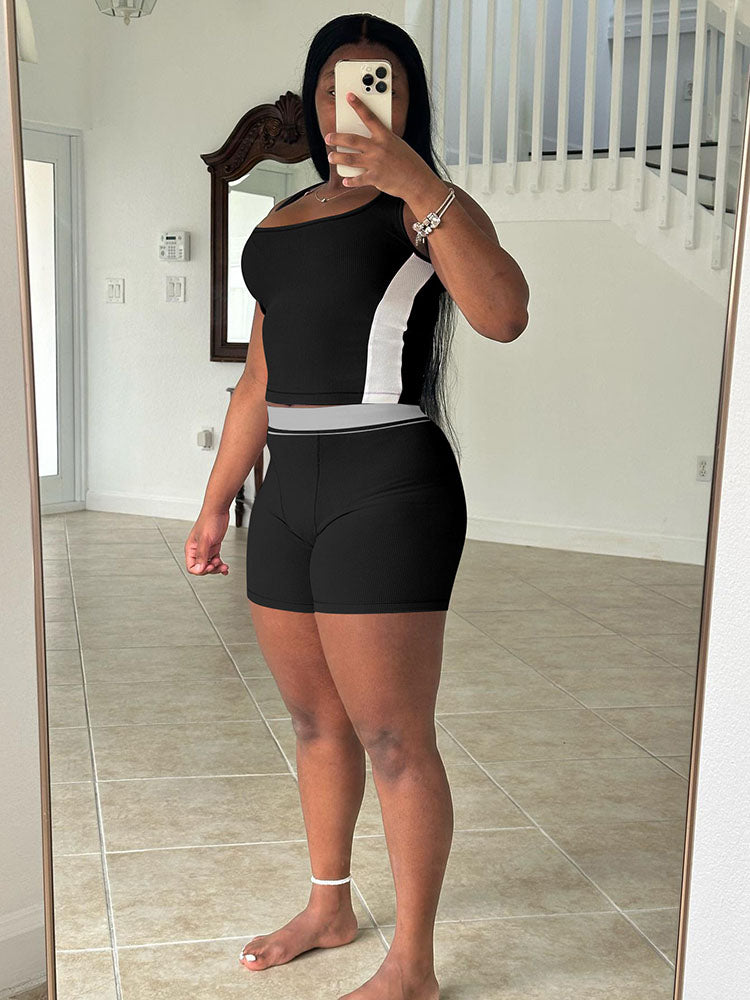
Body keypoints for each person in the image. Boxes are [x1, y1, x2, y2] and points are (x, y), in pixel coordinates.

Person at [185, 12, 528, 1000]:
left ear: (408, 101)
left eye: (382, 84)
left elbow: (504, 314)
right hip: (287, 489)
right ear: (315, 98)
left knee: (394, 737)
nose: (358, 104)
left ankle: (412, 966)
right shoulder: (282, 221)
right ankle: (329, 906)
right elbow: (259, 381)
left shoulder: (426, 208)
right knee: (313, 721)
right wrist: (212, 506)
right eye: (338, 85)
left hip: (388, 487)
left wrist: (419, 184)